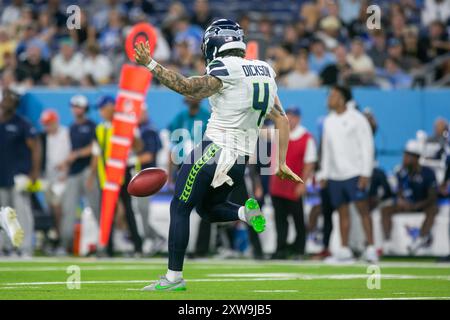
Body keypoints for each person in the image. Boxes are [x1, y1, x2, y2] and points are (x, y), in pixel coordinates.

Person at [134, 19, 301, 291]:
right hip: (239, 161)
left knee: (179, 206)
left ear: (215, 42)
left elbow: (188, 88)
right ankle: (244, 213)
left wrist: (151, 64)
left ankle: (173, 278)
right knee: (207, 210)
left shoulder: (225, 68)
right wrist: (279, 161)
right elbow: (281, 120)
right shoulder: (265, 71)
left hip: (215, 149)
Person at [320, 85, 377, 262]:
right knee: (342, 212)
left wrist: (365, 172)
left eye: (333, 95)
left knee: (363, 211)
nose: (329, 98)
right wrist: (324, 174)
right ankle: (344, 250)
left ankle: (371, 248)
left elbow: (367, 145)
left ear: (342, 99)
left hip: (355, 173)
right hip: (335, 176)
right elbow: (327, 150)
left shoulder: (357, 119)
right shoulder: (328, 121)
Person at [90, 95, 143, 256]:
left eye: (102, 108)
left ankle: (138, 247)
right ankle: (108, 248)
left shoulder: (127, 123)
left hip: (124, 172)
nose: (100, 112)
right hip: (106, 175)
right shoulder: (100, 128)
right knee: (108, 212)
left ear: (111, 107)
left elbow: (139, 146)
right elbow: (96, 154)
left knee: (128, 210)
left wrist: (127, 131)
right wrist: (92, 176)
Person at [269, 107, 317, 259]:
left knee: (298, 219)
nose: (289, 119)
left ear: (298, 118)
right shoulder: (277, 133)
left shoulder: (306, 137)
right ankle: (280, 249)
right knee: (280, 220)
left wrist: (303, 184)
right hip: (277, 185)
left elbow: (310, 163)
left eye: (292, 116)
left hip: (294, 185)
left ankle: (299, 250)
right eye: (287, 116)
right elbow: (261, 131)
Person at [0, 88, 40, 254]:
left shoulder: (22, 123)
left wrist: (34, 172)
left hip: (19, 176)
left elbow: (35, 147)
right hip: (1, 175)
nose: (8, 101)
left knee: (21, 212)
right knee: (3, 214)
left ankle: (25, 247)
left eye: (11, 99)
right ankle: (6, 246)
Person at [381, 140, 439, 255]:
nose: (404, 158)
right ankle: (387, 243)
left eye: (408, 155)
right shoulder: (400, 171)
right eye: (404, 155)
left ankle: (421, 239)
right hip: (407, 204)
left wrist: (418, 205)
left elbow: (432, 196)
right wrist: (401, 200)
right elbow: (398, 190)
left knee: (433, 209)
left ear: (416, 158)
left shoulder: (428, 173)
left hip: (423, 204)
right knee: (386, 210)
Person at [60, 95, 98, 254]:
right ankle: (65, 245)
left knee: (96, 208)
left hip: (88, 170)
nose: (76, 109)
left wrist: (77, 155)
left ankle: (103, 243)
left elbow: (95, 150)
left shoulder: (92, 126)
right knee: (68, 209)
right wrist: (66, 167)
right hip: (74, 172)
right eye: (74, 106)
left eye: (79, 106)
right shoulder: (72, 127)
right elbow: (70, 151)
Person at [135, 105, 165, 255]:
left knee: (143, 210)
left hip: (147, 176)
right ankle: (153, 237)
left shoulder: (149, 130)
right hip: (137, 174)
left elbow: (149, 156)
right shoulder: (137, 129)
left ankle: (151, 238)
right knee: (137, 210)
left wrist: (130, 159)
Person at [39, 109, 71, 246]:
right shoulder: (43, 137)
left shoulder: (66, 133)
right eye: (45, 124)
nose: (47, 127)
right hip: (47, 177)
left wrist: (66, 169)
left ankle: (63, 238)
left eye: (49, 124)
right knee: (50, 209)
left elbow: (71, 152)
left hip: (62, 177)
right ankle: (54, 236)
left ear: (55, 121)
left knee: (60, 209)